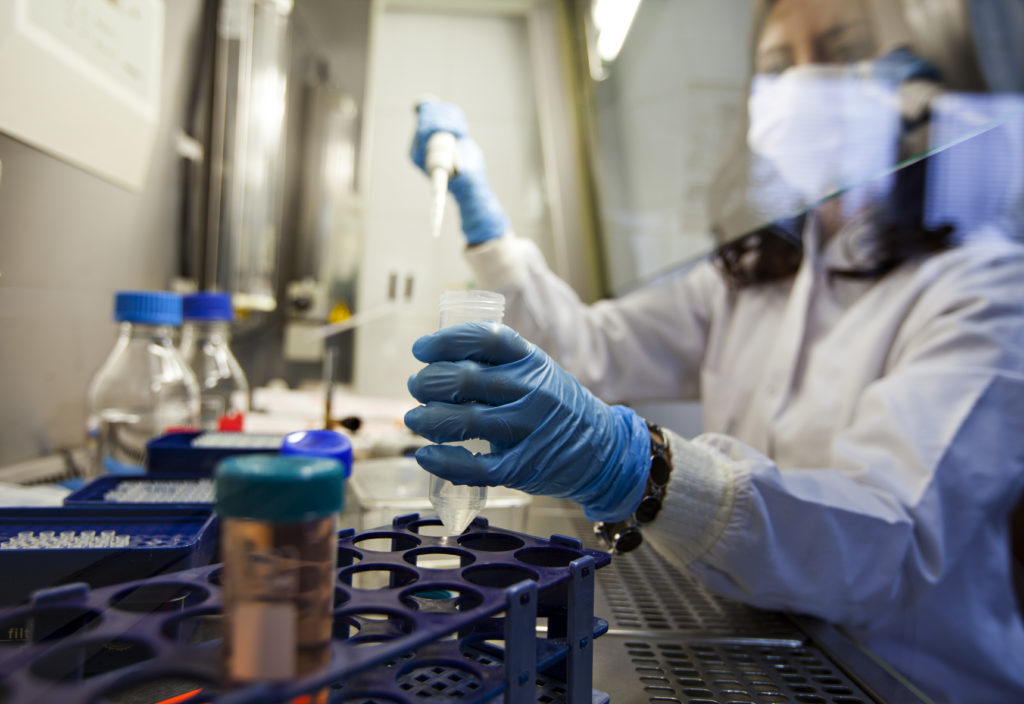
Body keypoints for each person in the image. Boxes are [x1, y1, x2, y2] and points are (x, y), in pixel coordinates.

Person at [404, 1, 1024, 701]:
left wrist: (643, 470)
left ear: (921, 81)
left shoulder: (987, 289)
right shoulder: (756, 273)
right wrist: (488, 227)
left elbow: (885, 547)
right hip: (765, 652)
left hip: (909, 680)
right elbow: (589, 349)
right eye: (778, 67)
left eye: (842, 49)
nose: (806, 85)